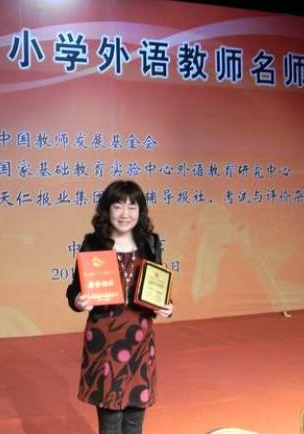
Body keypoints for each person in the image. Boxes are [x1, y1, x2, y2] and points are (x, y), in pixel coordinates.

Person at [66, 180, 173, 434]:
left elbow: (158, 283)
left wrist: (167, 305)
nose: (125, 214)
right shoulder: (93, 243)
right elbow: (74, 289)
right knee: (110, 419)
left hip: (140, 341)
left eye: (132, 207)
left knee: (135, 417)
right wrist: (78, 300)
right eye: (118, 206)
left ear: (140, 211)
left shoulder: (150, 243)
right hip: (104, 340)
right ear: (107, 210)